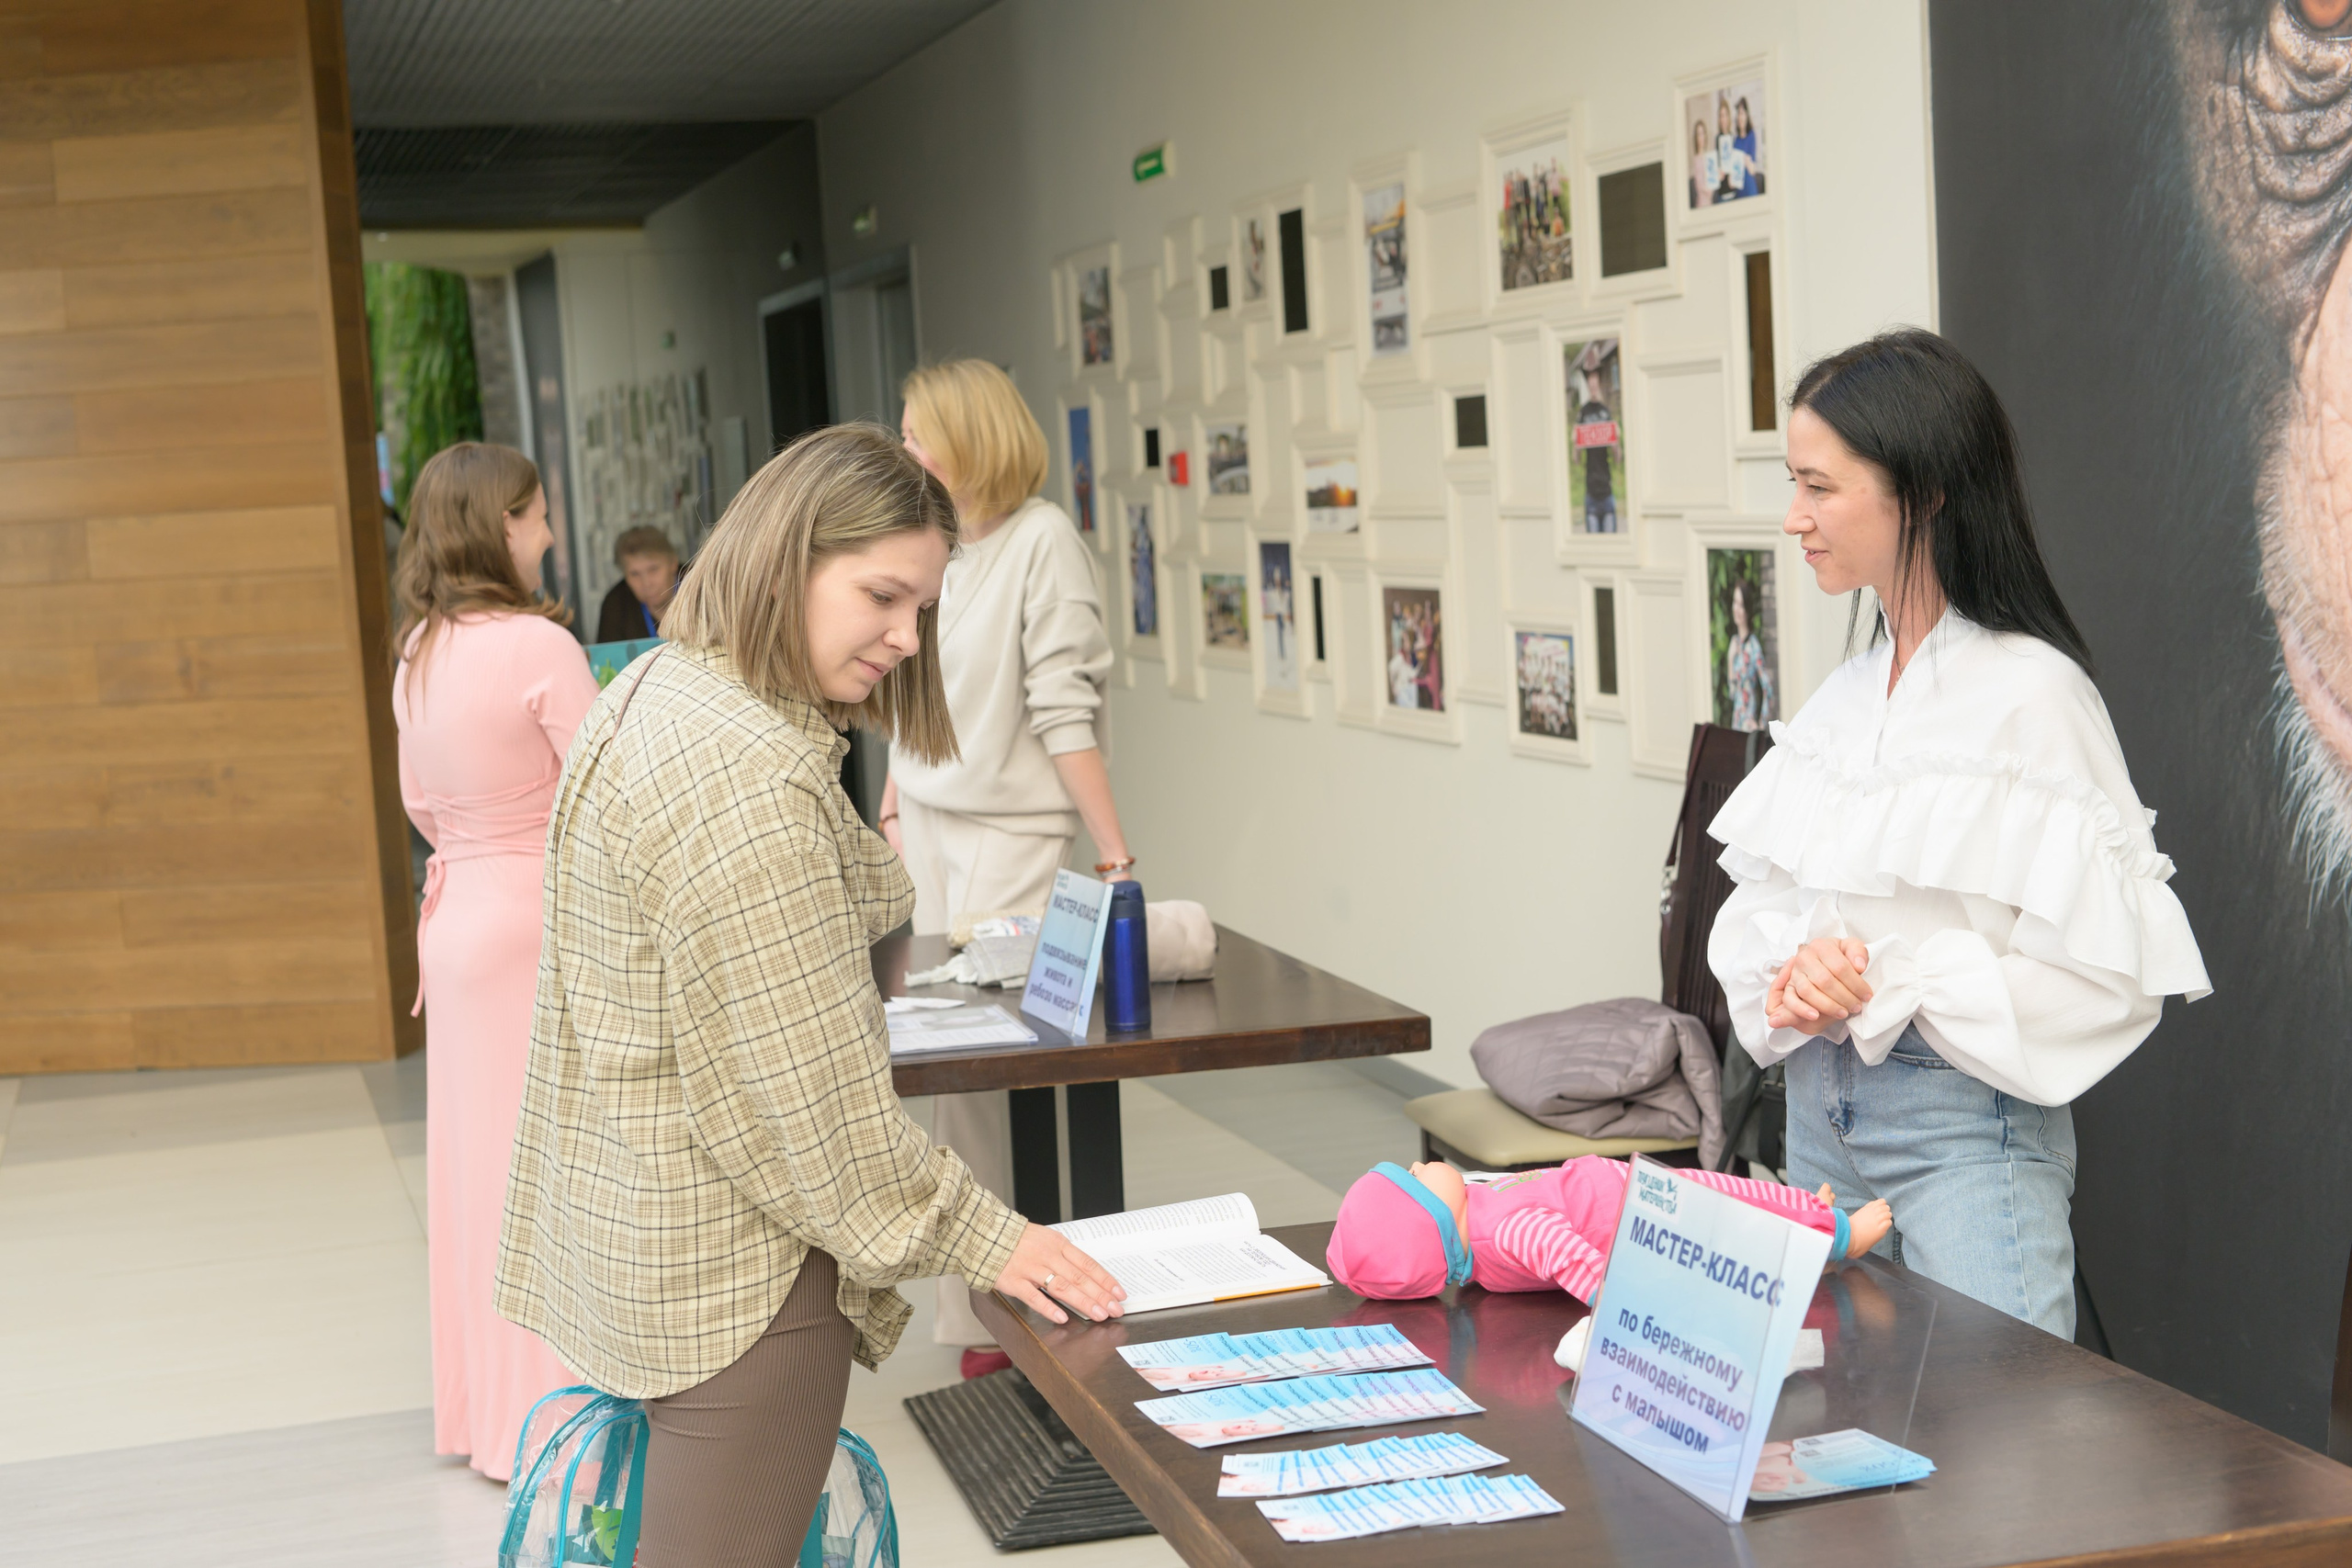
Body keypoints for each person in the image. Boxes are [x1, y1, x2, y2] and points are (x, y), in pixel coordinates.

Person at [496, 424, 1124, 1565]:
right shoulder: (745, 779)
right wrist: (993, 1239)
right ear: (787, 558)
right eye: (882, 596)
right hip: (741, 1278)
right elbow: (810, 1113)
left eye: (922, 607)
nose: (907, 637)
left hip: (656, 1231)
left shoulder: (667, 690)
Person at [1706, 330, 2211, 1337]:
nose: (1794, 516)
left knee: (1998, 1428)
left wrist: (1900, 983)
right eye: (1795, 484)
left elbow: (2109, 975)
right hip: (1817, 1125)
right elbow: (1764, 909)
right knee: (1839, 1411)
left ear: (1924, 491)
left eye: (1819, 486)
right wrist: (1796, 972)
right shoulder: (1845, 698)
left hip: (1963, 1142)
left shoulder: (2033, 694)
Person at [884, 358, 1136, 1371]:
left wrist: (1113, 851)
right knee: (954, 1085)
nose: (903, 449)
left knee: (992, 1084)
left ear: (969, 439)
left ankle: (1011, 1309)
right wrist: (894, 800)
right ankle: (981, 1311)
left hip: (1012, 840)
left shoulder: (1043, 542)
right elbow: (906, 680)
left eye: (917, 433)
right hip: (927, 828)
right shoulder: (937, 544)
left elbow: (1063, 707)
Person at [390, 442, 600, 1480]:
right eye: (539, 514)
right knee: (558, 1168)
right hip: (536, 918)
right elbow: (603, 790)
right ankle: (564, 1415)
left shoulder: (417, 653)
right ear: (500, 524)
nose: (550, 534)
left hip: (458, 922)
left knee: (478, 1171)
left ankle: (490, 1419)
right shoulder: (538, 646)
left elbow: (421, 808)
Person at [1324, 1158, 1888, 1303]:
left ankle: (1803, 1214)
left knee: (1736, 1200)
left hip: (1632, 1195)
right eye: (1416, 1179)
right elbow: (1580, 1266)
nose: (1419, 1165)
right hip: (1647, 1212)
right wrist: (1621, 1306)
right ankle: (1839, 1235)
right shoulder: (1509, 1232)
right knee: (1729, 1206)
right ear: (1435, 1224)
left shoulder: (1477, 1227)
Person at [594, 525, 682, 643]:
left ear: (673, 564)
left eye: (653, 569)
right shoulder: (615, 604)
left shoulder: (700, 589)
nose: (646, 583)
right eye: (635, 574)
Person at [1723, 579, 1775, 731]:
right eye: (1735, 603)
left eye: (1741, 605)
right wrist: (1730, 659)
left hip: (1747, 725)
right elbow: (1733, 694)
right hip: (1736, 724)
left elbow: (1768, 688)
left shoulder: (1753, 645)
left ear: (1747, 609)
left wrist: (1761, 724)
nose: (1737, 609)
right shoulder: (1734, 643)